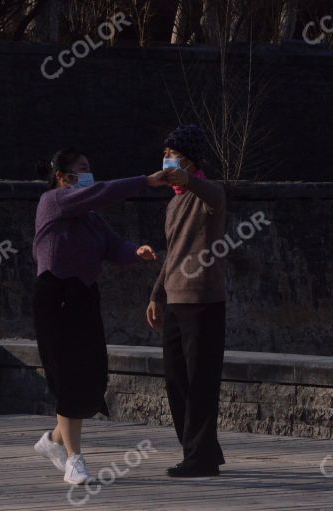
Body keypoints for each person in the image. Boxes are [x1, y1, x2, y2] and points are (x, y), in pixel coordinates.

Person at [32, 148, 170, 485]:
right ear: (63, 177)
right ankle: (75, 460)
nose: (89, 173)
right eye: (82, 168)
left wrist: (135, 252)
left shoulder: (91, 219)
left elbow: (113, 246)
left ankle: (52, 441)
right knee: (68, 377)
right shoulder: (53, 201)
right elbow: (104, 191)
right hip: (56, 295)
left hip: (84, 297)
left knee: (92, 378)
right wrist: (146, 181)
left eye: (90, 167)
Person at [146, 125, 228, 477]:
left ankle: (200, 458)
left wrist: (188, 178)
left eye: (174, 156)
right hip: (175, 299)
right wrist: (156, 296)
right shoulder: (174, 202)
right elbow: (172, 255)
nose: (167, 162)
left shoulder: (206, 195)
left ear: (191, 162)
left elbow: (216, 195)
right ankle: (201, 450)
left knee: (201, 381)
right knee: (177, 380)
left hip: (204, 300)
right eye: (165, 155)